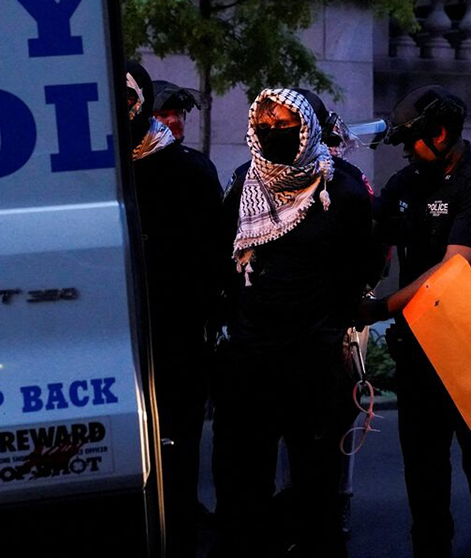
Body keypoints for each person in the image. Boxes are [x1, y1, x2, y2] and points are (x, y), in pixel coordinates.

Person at [211, 88, 374, 558]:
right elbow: (222, 256)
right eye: (265, 123)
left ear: (309, 129)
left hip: (313, 361)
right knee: (242, 488)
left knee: (316, 490)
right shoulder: (245, 182)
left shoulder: (340, 188)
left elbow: (360, 265)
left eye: (285, 124)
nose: (273, 132)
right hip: (248, 359)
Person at [358, 85, 471, 558]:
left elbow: (454, 270)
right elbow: (374, 238)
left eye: (413, 140)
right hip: (419, 351)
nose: (406, 151)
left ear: (442, 134)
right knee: (423, 476)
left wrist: (379, 308)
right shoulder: (407, 183)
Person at [125, 62, 223, 558]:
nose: (177, 121)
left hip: (179, 331)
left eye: (181, 113)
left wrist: (209, 318)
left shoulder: (192, 171)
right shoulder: (105, 170)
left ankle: (180, 521)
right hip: (123, 334)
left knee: (179, 442)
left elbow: (215, 253)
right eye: (168, 111)